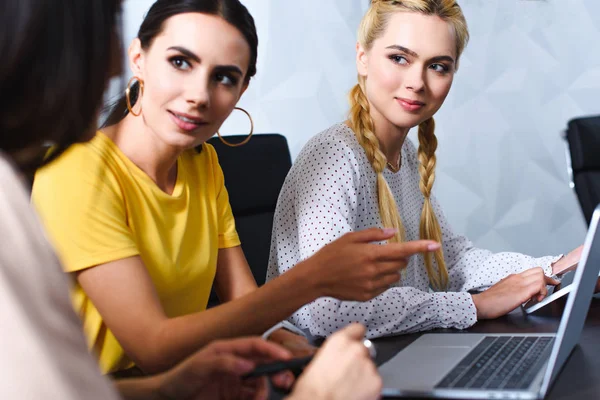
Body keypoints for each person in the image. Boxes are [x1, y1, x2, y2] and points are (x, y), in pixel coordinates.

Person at [31, 0, 438, 375]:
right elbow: (152, 346)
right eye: (179, 62)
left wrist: (282, 344)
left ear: (242, 90)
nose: (199, 96)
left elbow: (243, 302)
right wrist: (312, 280)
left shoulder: (202, 163)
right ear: (139, 59)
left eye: (224, 77)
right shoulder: (77, 171)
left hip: (188, 382)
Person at [266, 0, 587, 339]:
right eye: (399, 58)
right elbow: (328, 308)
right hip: (323, 368)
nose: (417, 82)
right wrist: (474, 306)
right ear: (362, 57)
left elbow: (451, 259)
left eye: (437, 66)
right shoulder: (334, 155)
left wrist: (556, 268)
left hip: (393, 351)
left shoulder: (402, 153)